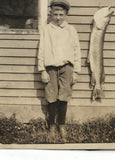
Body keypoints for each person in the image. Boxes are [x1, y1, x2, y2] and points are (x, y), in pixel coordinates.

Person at [38, 0, 81, 142]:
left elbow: (77, 51)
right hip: (50, 67)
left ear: (66, 14)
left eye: (61, 14)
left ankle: (61, 125)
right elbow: (42, 50)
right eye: (55, 14)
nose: (58, 17)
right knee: (51, 96)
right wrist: (42, 69)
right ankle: (51, 126)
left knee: (64, 96)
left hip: (67, 67)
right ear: (51, 14)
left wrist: (76, 71)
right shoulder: (46, 29)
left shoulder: (71, 30)